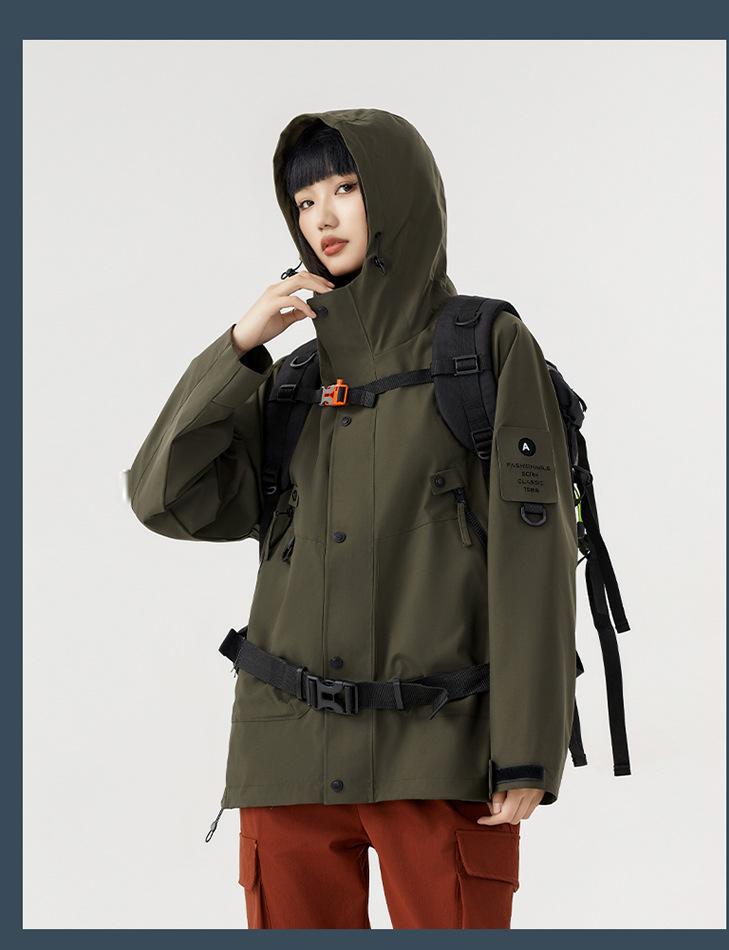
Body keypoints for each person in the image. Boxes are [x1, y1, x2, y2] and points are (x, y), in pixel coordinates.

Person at [126, 108, 578, 929]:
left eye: (345, 188)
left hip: (436, 752)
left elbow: (533, 554)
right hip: (286, 758)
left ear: (398, 196)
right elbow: (162, 497)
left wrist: (526, 748)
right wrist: (239, 349)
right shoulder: (294, 380)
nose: (322, 217)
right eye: (304, 202)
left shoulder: (485, 349)